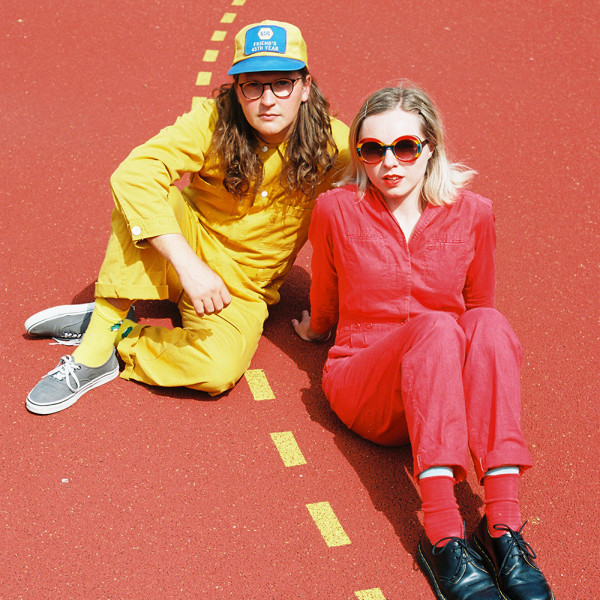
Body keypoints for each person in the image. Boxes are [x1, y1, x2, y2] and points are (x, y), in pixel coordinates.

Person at [292, 84, 553, 600]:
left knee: (490, 323)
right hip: (367, 382)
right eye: (372, 150)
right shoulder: (335, 210)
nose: (389, 163)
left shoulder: (474, 212)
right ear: (359, 153)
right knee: (435, 327)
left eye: (405, 147)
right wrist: (316, 329)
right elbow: (326, 288)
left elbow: (479, 305)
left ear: (430, 146)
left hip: (439, 385)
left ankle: (502, 526)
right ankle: (444, 535)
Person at [25, 20, 349, 415]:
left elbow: (390, 188)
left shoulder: (336, 146)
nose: (268, 100)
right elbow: (134, 174)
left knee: (216, 371)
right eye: (253, 85)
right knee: (145, 194)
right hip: (186, 248)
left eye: (282, 83)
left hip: (243, 291)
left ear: (305, 87)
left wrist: (328, 317)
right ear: (237, 89)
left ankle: (113, 330)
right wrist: (188, 264)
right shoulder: (213, 121)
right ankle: (92, 353)